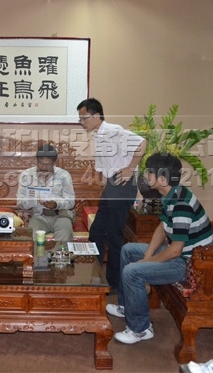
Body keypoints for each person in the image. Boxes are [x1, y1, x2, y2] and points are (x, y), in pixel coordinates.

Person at [106, 153, 213, 344]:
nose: (146, 175)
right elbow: (162, 228)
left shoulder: (181, 204)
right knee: (128, 250)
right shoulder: (171, 194)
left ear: (162, 179)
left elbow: (175, 251)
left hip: (190, 264)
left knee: (132, 272)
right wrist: (148, 255)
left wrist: (146, 262)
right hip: (179, 254)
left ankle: (140, 329)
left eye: (149, 172)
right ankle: (126, 306)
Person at [77, 98, 147, 292]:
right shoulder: (99, 136)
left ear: (96, 115)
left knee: (114, 235)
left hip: (122, 186)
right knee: (97, 231)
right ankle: (97, 277)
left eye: (83, 118)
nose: (81, 122)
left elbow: (142, 143)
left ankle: (114, 284)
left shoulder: (113, 131)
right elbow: (104, 169)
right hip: (112, 186)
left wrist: (130, 168)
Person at [16, 144, 76, 242]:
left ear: (54, 163)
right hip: (39, 216)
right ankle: (40, 253)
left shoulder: (64, 175)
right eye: (41, 163)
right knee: (32, 238)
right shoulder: (26, 175)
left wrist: (56, 204)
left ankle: (57, 253)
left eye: (47, 164)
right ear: (36, 160)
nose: (43, 167)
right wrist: (31, 201)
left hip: (60, 215)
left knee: (65, 235)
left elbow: (70, 201)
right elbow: (20, 202)